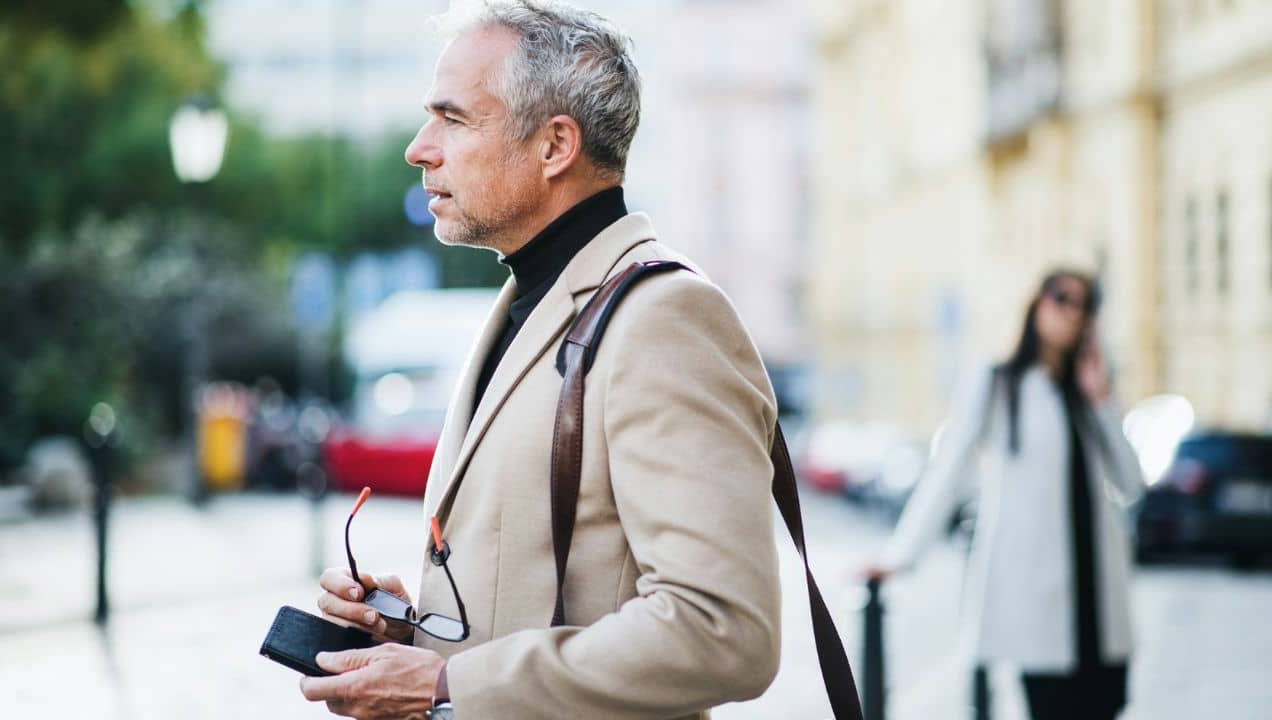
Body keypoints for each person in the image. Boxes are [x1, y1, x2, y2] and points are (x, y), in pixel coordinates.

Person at [300, 2, 783, 718]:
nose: (419, 148)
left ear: (555, 146)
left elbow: (725, 630)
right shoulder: (530, 300)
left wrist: (443, 685)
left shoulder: (664, 318)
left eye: (454, 119)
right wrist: (412, 635)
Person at [866, 271, 1144, 720]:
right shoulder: (997, 381)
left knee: (1105, 707)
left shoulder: (1088, 387)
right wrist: (902, 555)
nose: (1071, 313)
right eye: (1061, 299)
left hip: (1098, 593)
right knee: (1051, 708)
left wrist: (1104, 400)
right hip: (1040, 593)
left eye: (1084, 305)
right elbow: (949, 468)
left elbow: (1131, 483)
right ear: (1036, 304)